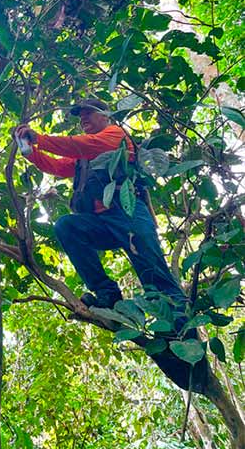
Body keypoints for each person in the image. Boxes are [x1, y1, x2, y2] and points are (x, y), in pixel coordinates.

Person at [15, 98, 189, 319]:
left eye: (89, 113)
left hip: (128, 214)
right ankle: (108, 295)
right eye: (80, 115)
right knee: (67, 226)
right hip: (100, 222)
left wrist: (39, 139)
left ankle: (182, 333)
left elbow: (82, 145)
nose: (83, 118)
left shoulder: (115, 135)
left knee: (156, 277)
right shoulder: (84, 159)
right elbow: (59, 166)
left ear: (106, 115)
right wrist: (31, 153)